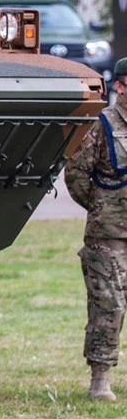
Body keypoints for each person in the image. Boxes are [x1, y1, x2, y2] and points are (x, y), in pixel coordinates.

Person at [65, 57, 127, 401]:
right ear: (120, 86)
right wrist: (104, 208)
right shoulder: (100, 125)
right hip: (109, 237)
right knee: (108, 306)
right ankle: (100, 379)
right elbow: (76, 177)